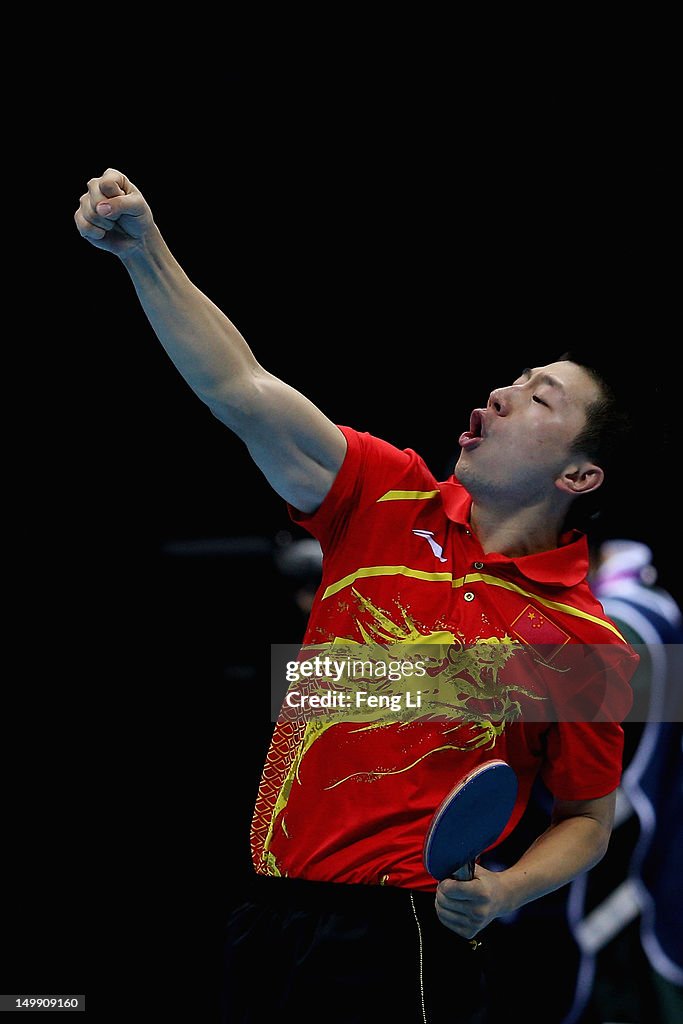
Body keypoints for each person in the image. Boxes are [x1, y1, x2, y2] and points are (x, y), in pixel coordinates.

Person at [75, 169, 639, 1024]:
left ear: (578, 474)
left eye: (538, 397)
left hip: (400, 940)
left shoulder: (583, 643)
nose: (500, 393)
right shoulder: (383, 495)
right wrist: (144, 250)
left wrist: (506, 890)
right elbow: (242, 389)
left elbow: (589, 820)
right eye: (514, 379)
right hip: (265, 912)